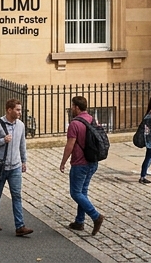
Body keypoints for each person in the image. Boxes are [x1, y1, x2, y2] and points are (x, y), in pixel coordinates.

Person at [0, 98, 31, 236]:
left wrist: (24, 161)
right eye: (17, 110)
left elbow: (22, 144)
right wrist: (2, 141)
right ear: (9, 110)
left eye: (20, 110)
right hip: (0, 166)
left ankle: (20, 226)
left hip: (15, 167)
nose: (20, 112)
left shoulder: (21, 125)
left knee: (17, 195)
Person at [59, 96, 104, 236]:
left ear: (77, 107)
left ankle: (96, 216)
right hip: (92, 162)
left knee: (76, 193)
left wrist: (63, 162)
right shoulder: (91, 119)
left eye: (72, 106)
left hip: (80, 163)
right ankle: (79, 221)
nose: (72, 108)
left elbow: (70, 145)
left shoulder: (74, 124)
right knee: (83, 192)